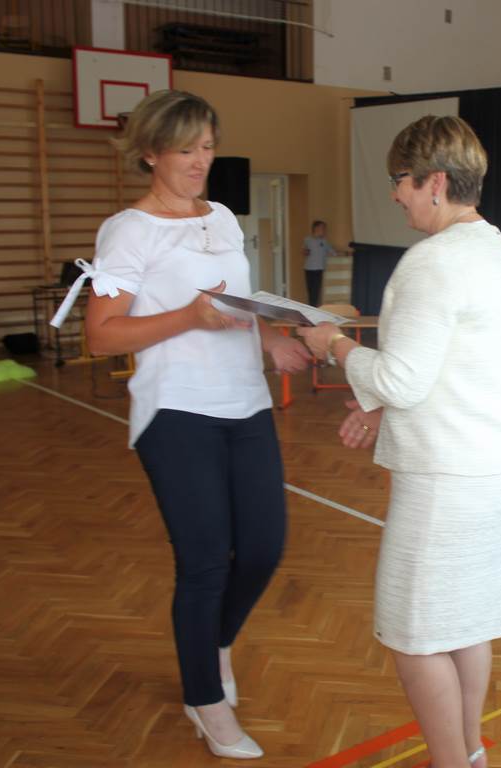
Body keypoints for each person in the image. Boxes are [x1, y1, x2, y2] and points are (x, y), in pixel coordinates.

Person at [298, 115, 501, 768]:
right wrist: (379, 408)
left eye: (400, 179)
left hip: (450, 475)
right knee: (466, 621)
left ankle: (450, 762)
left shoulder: (431, 261)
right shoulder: (495, 247)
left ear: (435, 182)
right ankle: (470, 752)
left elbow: (402, 377)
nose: (395, 193)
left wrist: (332, 343)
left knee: (412, 632)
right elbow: (462, 361)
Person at [79, 89, 310, 758]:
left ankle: (215, 644)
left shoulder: (225, 218)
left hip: (246, 402)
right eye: (186, 149)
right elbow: (100, 335)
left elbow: (238, 303)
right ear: (151, 152)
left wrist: (269, 337)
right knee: (205, 563)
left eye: (207, 147)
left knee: (263, 549)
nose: (200, 160)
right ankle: (205, 701)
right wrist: (190, 315)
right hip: (177, 410)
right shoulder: (129, 230)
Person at [303, 220, 335, 306]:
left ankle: (313, 308)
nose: (324, 230)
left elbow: (333, 252)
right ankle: (311, 308)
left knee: (316, 292)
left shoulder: (324, 241)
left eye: (324, 229)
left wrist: (347, 253)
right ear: (316, 228)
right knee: (310, 291)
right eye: (323, 228)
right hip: (308, 268)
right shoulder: (307, 239)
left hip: (319, 269)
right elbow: (304, 251)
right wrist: (305, 252)